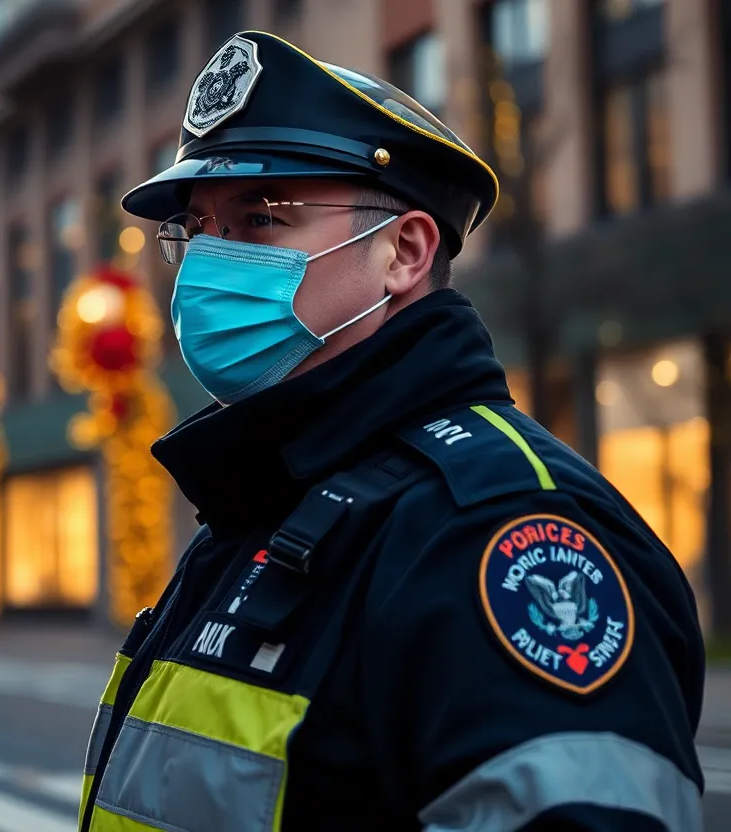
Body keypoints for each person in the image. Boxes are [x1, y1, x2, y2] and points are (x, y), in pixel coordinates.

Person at [76, 31, 705, 832]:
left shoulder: (493, 531)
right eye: (197, 229)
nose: (208, 260)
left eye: (261, 219)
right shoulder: (268, 500)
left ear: (404, 252)